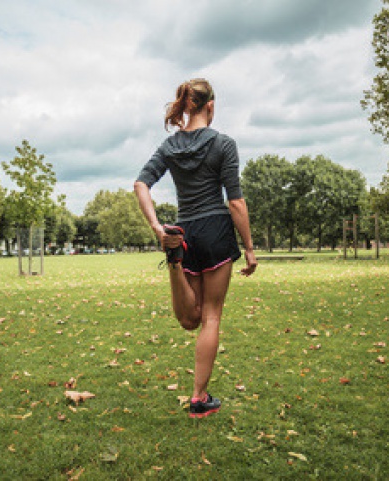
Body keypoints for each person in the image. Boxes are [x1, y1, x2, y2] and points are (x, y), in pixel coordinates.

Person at [134, 78, 258, 418]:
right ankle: (199, 397)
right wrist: (248, 247)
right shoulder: (224, 143)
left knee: (191, 319)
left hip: (185, 230)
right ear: (210, 106)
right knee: (211, 317)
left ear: (186, 105)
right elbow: (235, 202)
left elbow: (141, 183)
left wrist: (158, 227)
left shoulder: (169, 147)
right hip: (217, 230)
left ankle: (174, 260)